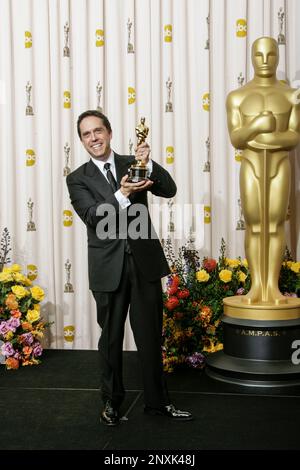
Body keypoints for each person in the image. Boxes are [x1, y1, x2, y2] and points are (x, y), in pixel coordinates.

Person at [66, 110, 192, 426]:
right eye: (86, 134)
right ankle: (111, 403)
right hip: (107, 268)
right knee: (110, 339)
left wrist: (147, 163)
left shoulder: (131, 163)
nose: (93, 138)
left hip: (144, 263)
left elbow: (169, 189)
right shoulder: (77, 178)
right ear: (82, 140)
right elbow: (94, 216)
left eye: (98, 131)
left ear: (109, 132)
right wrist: (123, 193)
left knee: (150, 336)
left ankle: (158, 402)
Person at [226, 37, 300, 305]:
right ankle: (257, 286)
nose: (265, 60)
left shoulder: (291, 96)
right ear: (252, 57)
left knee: (276, 224)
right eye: (259, 55)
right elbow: (237, 139)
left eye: (270, 54)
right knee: (255, 225)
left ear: (278, 56)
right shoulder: (237, 97)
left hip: (279, 164)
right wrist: (257, 124)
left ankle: (273, 287)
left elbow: (293, 137)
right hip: (251, 165)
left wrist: (263, 140)